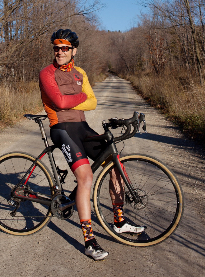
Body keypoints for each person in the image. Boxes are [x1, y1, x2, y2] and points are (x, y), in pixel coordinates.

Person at [39, 29, 143, 261]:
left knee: (115, 164)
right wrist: (79, 99)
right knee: (85, 177)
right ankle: (89, 241)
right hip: (61, 130)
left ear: (74, 50)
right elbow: (59, 102)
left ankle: (119, 220)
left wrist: (75, 102)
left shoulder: (80, 73)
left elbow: (93, 102)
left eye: (65, 48)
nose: (60, 52)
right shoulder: (46, 73)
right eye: (56, 48)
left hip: (82, 128)